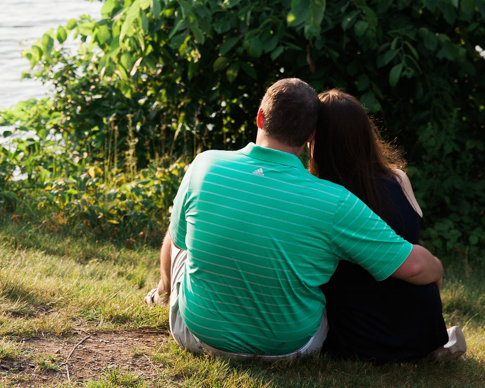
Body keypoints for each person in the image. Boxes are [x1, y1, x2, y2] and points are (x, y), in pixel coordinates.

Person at [145, 77, 444, 361]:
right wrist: (438, 268)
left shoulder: (204, 165)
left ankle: (161, 292)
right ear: (312, 135)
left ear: (260, 118)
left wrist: (167, 288)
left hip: (199, 335)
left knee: (178, 235)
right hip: (291, 348)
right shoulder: (335, 200)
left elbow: (178, 241)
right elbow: (414, 265)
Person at [311, 89, 466, 362]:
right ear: (365, 135)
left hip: (358, 340)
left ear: (317, 140)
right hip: (423, 333)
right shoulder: (399, 180)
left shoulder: (323, 196)